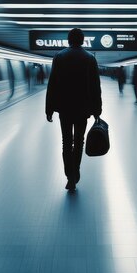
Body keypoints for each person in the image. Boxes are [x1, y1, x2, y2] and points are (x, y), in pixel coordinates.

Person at [46, 28, 102, 191]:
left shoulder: (59, 57)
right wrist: (97, 109)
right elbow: (95, 87)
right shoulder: (90, 58)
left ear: (68, 40)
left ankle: (69, 174)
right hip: (82, 109)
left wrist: (49, 108)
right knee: (79, 141)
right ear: (83, 41)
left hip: (64, 108)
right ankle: (75, 171)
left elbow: (52, 85)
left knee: (66, 142)